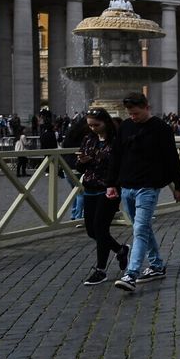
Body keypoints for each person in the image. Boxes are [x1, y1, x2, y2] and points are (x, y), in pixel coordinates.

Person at [105, 92, 180, 293]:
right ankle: (156, 265)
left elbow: (171, 158)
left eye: (136, 113)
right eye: (130, 114)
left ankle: (131, 274)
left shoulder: (161, 128)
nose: (133, 117)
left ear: (147, 107)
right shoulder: (125, 127)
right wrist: (111, 183)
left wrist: (179, 185)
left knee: (140, 229)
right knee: (142, 227)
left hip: (148, 188)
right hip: (127, 187)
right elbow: (116, 156)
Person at [75, 108, 130, 286]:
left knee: (100, 228)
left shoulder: (116, 140)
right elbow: (80, 168)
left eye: (96, 125)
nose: (93, 128)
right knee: (91, 230)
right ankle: (120, 250)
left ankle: (100, 270)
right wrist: (81, 162)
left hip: (109, 188)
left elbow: (119, 164)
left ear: (105, 122)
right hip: (90, 187)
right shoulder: (88, 139)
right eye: (90, 125)